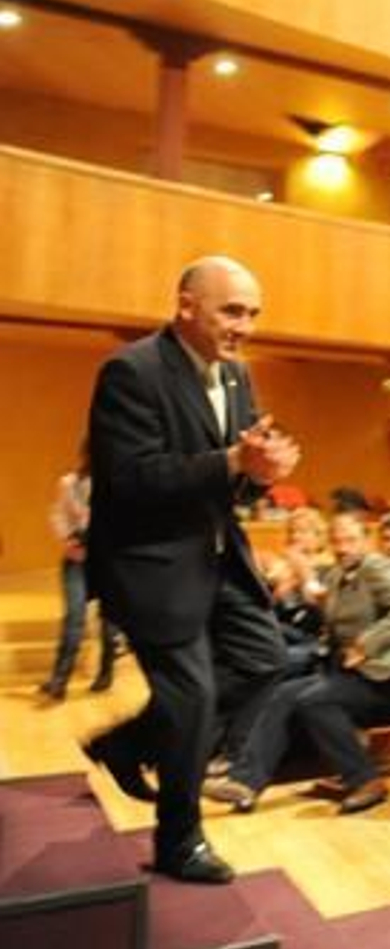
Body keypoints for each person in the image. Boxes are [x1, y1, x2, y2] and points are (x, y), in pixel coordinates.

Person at [81, 255, 300, 884]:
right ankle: (179, 842)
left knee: (266, 661)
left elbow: (232, 487)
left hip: (217, 556)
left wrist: (260, 476)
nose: (246, 325)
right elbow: (130, 478)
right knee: (193, 699)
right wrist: (233, 460)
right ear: (186, 305)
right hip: (149, 563)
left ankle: (124, 744)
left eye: (253, 313)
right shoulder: (132, 370)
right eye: (233, 310)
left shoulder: (237, 378)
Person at [204, 512, 390, 816]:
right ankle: (245, 784)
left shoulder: (376, 567)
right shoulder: (337, 574)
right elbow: (335, 616)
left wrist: (367, 642)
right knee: (282, 692)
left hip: (388, 680)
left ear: (366, 540)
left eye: (351, 540)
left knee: (313, 701)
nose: (343, 547)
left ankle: (365, 781)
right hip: (351, 675)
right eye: (337, 541)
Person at [39, 444, 121, 699]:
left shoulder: (118, 484)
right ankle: (59, 680)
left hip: (107, 562)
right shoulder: (69, 483)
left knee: (109, 624)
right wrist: (66, 539)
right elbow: (57, 515)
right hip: (76, 561)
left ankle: (106, 672)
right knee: (74, 619)